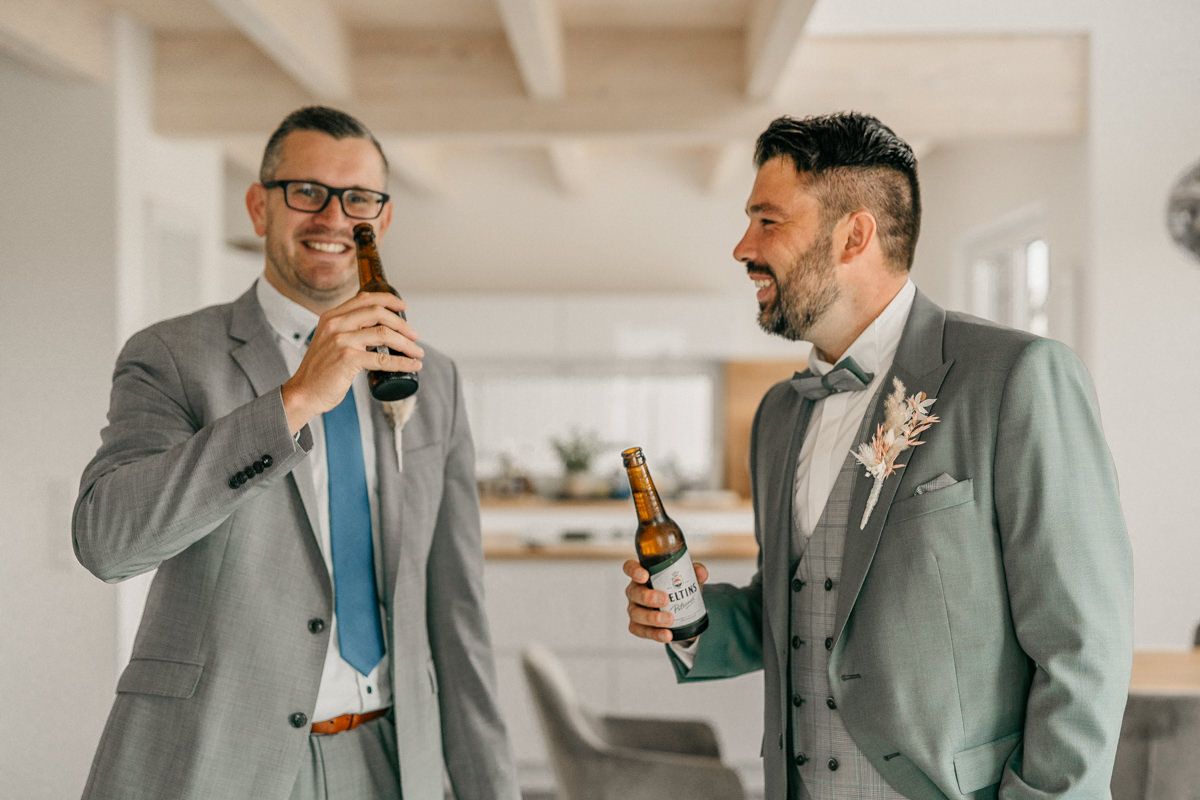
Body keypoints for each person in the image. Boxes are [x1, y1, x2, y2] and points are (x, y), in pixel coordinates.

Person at [623, 112, 1132, 799]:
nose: (743, 247)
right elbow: (798, 605)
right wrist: (685, 620)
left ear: (853, 235)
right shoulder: (777, 414)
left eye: (768, 221)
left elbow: (1083, 647)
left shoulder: (1016, 377)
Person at [73, 105, 519, 800]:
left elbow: (458, 616)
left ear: (383, 219)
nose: (334, 218)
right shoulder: (171, 357)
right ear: (260, 207)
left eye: (359, 199)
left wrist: (491, 788)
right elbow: (109, 542)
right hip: (218, 761)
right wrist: (296, 399)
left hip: (391, 763)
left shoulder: (438, 380)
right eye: (306, 192)